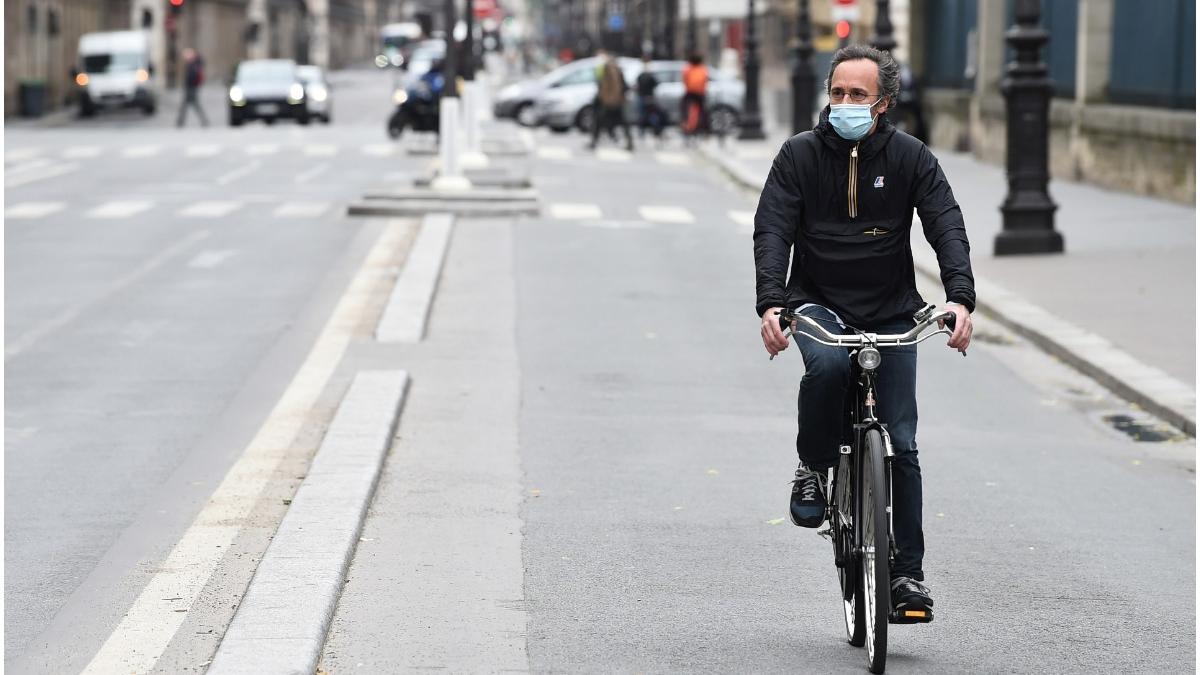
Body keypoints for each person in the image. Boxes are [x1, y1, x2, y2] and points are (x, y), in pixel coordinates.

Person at [752, 45, 975, 618]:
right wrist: (772, 303)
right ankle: (812, 465)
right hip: (817, 302)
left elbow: (945, 222)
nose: (845, 104)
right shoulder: (798, 156)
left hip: (892, 307)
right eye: (838, 93)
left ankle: (907, 578)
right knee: (825, 367)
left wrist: (959, 297)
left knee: (902, 440)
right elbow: (773, 228)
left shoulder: (910, 158)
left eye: (858, 95)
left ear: (883, 103)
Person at [589, 50, 633, 151]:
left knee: (599, 121)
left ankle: (594, 142)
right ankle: (629, 142)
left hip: (607, 100)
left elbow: (601, 84)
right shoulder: (618, 70)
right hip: (617, 101)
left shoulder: (606, 69)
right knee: (623, 122)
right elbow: (624, 86)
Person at [176, 48, 208, 128]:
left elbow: (192, 76)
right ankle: (180, 122)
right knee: (188, 105)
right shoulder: (194, 63)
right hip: (191, 87)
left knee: (192, 105)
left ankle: (180, 122)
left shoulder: (194, 64)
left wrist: (188, 83)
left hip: (191, 87)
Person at [634, 55, 663, 141]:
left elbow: (637, 86)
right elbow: (656, 84)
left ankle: (642, 131)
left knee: (643, 114)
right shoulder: (650, 75)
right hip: (649, 96)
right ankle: (654, 129)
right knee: (651, 114)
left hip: (643, 96)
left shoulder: (641, 75)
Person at [680, 52, 708, 141]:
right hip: (700, 93)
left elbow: (685, 80)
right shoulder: (703, 70)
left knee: (685, 109)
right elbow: (705, 81)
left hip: (690, 92)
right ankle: (702, 129)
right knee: (702, 111)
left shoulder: (688, 69)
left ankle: (686, 126)